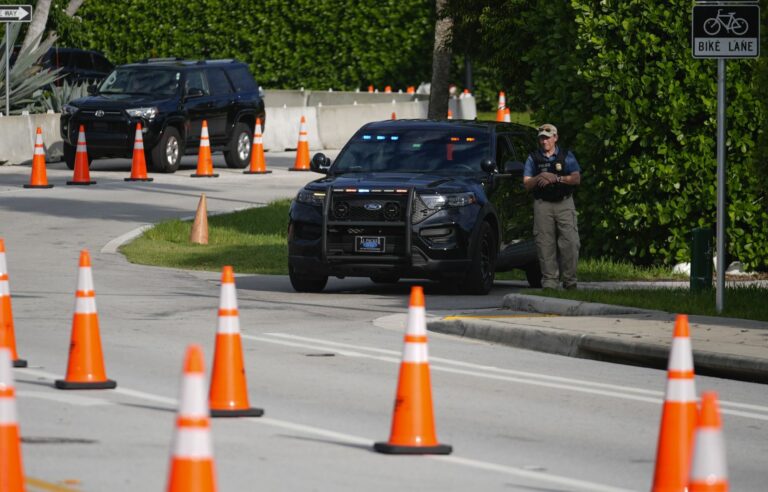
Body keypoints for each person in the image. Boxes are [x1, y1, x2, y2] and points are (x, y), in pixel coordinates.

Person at [523, 123, 581, 289]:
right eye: (541, 138)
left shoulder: (566, 156)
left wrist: (556, 178)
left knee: (570, 242)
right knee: (544, 243)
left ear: (555, 138)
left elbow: (576, 178)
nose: (544, 141)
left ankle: (570, 281)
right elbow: (527, 184)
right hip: (543, 204)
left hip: (564, 202)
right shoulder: (533, 158)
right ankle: (549, 281)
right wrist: (541, 176)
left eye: (547, 138)